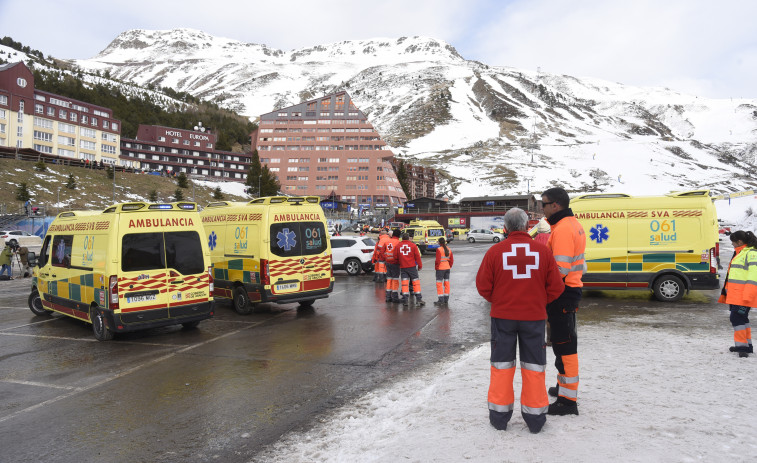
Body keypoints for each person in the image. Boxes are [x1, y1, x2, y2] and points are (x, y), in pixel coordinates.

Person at [476, 208, 564, 433]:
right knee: (534, 367)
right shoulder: (542, 252)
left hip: (503, 318)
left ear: (505, 227)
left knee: (501, 367)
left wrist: (500, 301)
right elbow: (556, 287)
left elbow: (483, 286)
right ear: (527, 226)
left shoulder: (495, 252)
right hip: (534, 319)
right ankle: (535, 420)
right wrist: (538, 301)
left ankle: (499, 418)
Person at [540, 187, 586, 416]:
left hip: (563, 293)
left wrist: (543, 289)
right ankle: (563, 388)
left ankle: (568, 401)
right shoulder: (569, 225)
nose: (542, 209)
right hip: (568, 291)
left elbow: (559, 269)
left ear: (555, 205)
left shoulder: (564, 229)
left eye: (544, 204)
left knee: (565, 345)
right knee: (562, 343)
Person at [719, 230, 757, 358]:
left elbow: (753, 276)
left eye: (733, 243)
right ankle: (746, 345)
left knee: (736, 318)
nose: (732, 245)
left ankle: (743, 347)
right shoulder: (741, 253)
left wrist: (748, 296)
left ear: (739, 242)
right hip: (737, 295)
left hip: (743, 296)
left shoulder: (750, 254)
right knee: (742, 319)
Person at [398, 232, 424, 306]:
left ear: (402, 238)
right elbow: (417, 257)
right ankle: (419, 299)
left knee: (404, 284)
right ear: (408, 238)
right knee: (416, 283)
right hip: (412, 267)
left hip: (403, 267)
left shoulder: (398, 246)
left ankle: (405, 300)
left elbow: (395, 257)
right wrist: (420, 266)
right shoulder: (413, 246)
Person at [384, 228, 402, 303]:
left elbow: (382, 252)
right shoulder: (398, 242)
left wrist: (386, 259)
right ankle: (395, 297)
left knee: (389, 279)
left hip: (388, 262)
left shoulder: (387, 241)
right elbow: (399, 254)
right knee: (395, 280)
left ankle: (388, 296)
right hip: (395, 263)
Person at [434, 237, 454, 305]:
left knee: (439, 284)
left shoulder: (439, 249)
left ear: (439, 243)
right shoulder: (449, 249)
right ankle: (446, 299)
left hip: (440, 269)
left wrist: (436, 267)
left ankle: (441, 300)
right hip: (447, 268)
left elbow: (437, 260)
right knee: (447, 284)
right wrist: (449, 266)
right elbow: (451, 260)